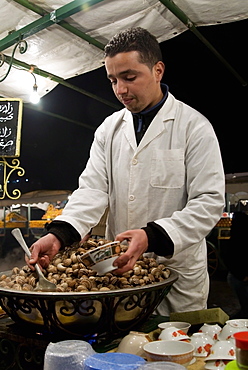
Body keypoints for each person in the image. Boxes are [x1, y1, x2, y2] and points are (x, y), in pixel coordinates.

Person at [27, 27, 225, 316]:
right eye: (113, 80)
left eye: (130, 77)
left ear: (158, 70)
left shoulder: (194, 127)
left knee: (174, 349)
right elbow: (93, 190)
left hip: (176, 272)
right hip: (119, 272)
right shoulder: (109, 129)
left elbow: (208, 202)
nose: (120, 90)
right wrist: (60, 234)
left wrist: (152, 236)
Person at [222, 212, 248, 318]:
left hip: (236, 276)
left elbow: (228, 258)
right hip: (240, 277)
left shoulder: (234, 237)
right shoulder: (242, 237)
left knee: (245, 303)